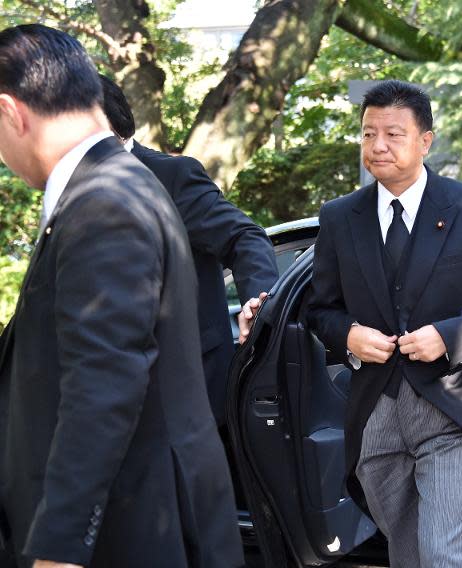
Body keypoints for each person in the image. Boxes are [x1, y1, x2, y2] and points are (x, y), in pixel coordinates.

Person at [0, 24, 243, 568]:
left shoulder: (104, 201)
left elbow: (103, 383)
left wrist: (58, 549)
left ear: (11, 111)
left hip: (129, 528)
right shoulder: (116, 182)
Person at [306, 80, 462, 567]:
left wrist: (448, 336)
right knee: (404, 549)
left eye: (394, 134)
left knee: (440, 553)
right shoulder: (339, 217)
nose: (379, 146)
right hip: (375, 411)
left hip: (452, 405)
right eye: (369, 134)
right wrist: (348, 334)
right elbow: (319, 308)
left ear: (425, 141)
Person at [99, 74, 279, 425]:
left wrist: (260, 308)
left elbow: (244, 237)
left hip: (187, 395)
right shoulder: (67, 193)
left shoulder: (171, 176)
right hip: (112, 397)